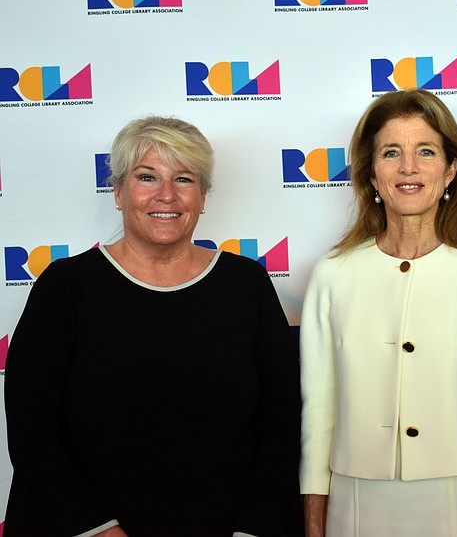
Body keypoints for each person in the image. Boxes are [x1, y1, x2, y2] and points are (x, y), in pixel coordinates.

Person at [4, 116, 303, 537]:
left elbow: (281, 426)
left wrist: (252, 527)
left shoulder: (246, 284)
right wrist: (101, 531)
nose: (166, 195)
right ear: (118, 192)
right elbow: (33, 436)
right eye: (147, 177)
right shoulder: (65, 288)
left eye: (184, 179)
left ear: (203, 197)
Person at [299, 89, 457, 537]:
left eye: (426, 151)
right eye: (391, 153)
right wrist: (313, 523)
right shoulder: (332, 274)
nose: (409, 168)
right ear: (370, 174)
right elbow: (318, 413)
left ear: (450, 171)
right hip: (355, 505)